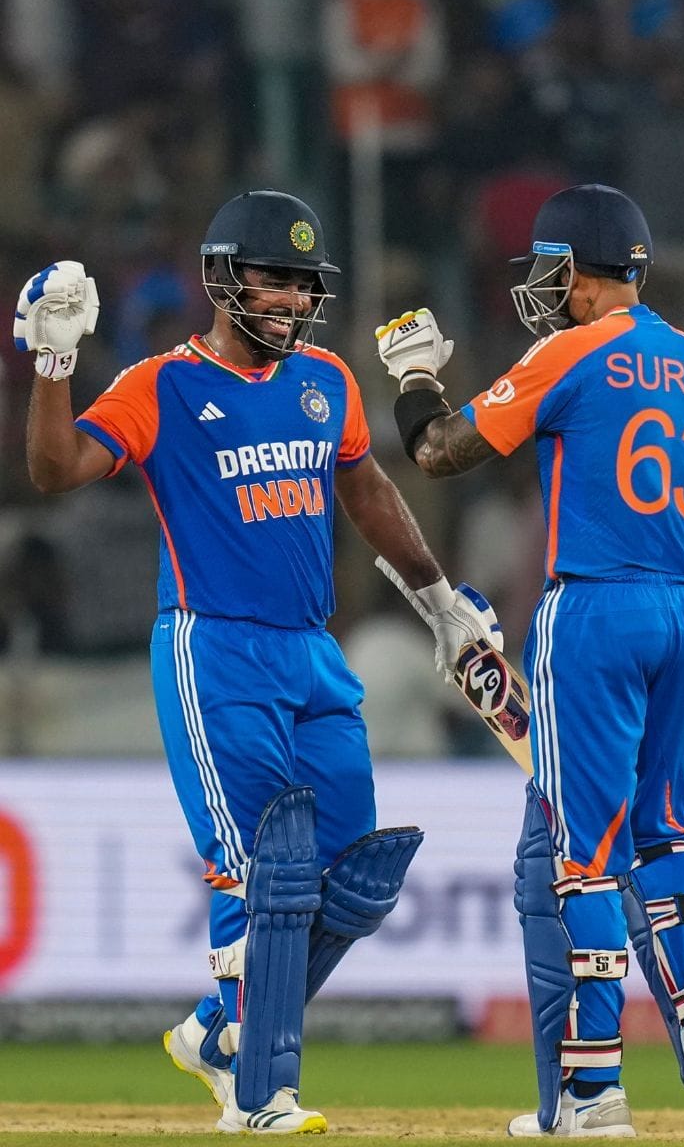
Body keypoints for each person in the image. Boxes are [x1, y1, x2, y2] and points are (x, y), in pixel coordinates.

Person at [14, 189, 501, 1135]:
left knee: (355, 874)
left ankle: (216, 1029)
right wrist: (54, 362)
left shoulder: (326, 378)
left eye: (305, 283)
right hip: (215, 647)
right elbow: (55, 469)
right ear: (221, 278)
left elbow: (367, 490)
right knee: (259, 872)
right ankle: (259, 1095)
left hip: (311, 650)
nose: (293, 299)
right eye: (275, 278)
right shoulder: (161, 385)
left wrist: (438, 601)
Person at [375, 183, 684, 1138]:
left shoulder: (569, 350)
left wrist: (414, 377)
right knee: (669, 833)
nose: (540, 284)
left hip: (596, 608)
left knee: (584, 853)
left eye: (548, 267)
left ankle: (592, 1088)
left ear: (577, 268)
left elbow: (440, 452)